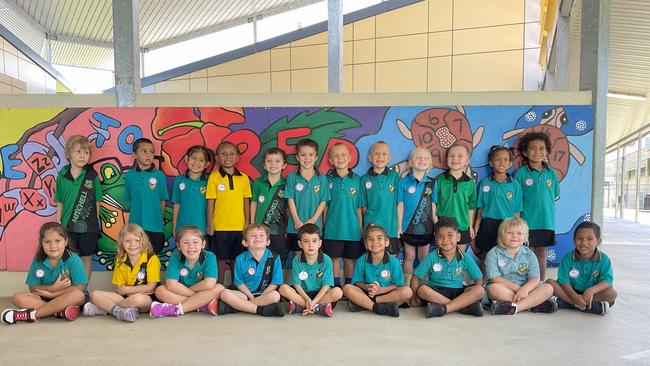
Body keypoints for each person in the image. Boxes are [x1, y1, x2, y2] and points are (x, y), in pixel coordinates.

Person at [1, 222, 87, 324]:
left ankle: (30, 315)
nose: (53, 246)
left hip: (66, 297)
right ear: (41, 243)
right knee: (17, 297)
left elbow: (80, 287)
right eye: (47, 242)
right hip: (44, 298)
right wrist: (52, 288)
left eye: (57, 241)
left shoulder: (74, 259)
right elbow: (32, 287)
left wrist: (54, 293)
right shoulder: (38, 261)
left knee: (78, 295)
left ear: (65, 242)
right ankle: (59, 312)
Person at [84, 224, 161, 322]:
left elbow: (150, 287)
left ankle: (106, 308)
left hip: (146, 299)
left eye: (137, 241)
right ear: (122, 243)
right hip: (125, 297)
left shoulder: (152, 259)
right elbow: (120, 290)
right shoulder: (120, 260)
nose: (132, 245)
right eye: (127, 241)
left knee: (138, 299)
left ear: (144, 241)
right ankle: (119, 311)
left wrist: (127, 289)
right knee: (94, 294)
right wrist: (132, 290)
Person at [410, 217, 485, 317]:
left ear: (458, 237)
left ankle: (445, 308)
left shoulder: (465, 257)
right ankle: (462, 307)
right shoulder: (431, 257)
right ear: (436, 239)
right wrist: (414, 298)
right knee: (423, 290)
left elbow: (478, 278)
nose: (445, 240)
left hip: (458, 291)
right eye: (440, 236)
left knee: (480, 290)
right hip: (436, 292)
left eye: (450, 235)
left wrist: (472, 295)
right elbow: (416, 277)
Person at [485, 218, 557, 315]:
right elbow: (495, 278)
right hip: (505, 290)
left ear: (525, 237)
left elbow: (535, 278)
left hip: (525, 289)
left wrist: (525, 289)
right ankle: (533, 304)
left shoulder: (529, 254)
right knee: (492, 289)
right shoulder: (493, 253)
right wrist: (519, 290)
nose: (514, 236)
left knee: (548, 288)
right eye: (509, 232)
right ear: (501, 235)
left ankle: (515, 307)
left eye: (519, 233)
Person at [54, 135, 102, 280]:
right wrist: (58, 224)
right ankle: (70, 290)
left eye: (86, 152)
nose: (83, 156)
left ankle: (83, 290)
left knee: (86, 258)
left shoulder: (92, 176)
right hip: (68, 226)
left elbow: (97, 201)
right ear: (69, 154)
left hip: (89, 227)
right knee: (69, 258)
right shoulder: (62, 176)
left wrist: (95, 223)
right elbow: (60, 202)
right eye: (78, 152)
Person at [514, 132, 560, 280]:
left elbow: (553, 197)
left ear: (547, 152)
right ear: (525, 152)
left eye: (541, 148)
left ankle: (540, 285)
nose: (537, 152)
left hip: (546, 222)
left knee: (541, 254)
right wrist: (519, 222)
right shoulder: (520, 174)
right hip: (527, 223)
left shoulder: (551, 173)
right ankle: (525, 284)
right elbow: (516, 201)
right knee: (526, 253)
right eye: (532, 148)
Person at [150, 225, 224, 318]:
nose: (191, 247)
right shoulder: (175, 256)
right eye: (185, 243)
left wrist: (192, 292)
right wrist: (196, 297)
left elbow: (209, 284)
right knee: (160, 291)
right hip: (181, 292)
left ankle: (176, 310)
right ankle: (201, 306)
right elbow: (171, 284)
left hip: (202, 291)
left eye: (195, 242)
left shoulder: (210, 257)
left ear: (203, 244)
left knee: (219, 288)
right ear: (178, 246)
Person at [547, 221, 617, 315]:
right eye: (579, 238)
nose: (584, 243)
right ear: (574, 240)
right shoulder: (568, 258)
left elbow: (607, 281)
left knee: (611, 294)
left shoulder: (604, 259)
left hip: (593, 294)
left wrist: (591, 290)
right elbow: (564, 281)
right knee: (549, 283)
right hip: (571, 292)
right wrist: (575, 298)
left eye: (590, 239)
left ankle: (567, 304)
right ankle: (585, 306)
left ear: (598, 242)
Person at [206, 141, 252, 284]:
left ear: (238, 157)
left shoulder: (243, 178)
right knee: (219, 259)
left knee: (236, 260)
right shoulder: (214, 177)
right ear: (217, 158)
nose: (228, 157)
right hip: (219, 226)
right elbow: (210, 202)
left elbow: (246, 202)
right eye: (223, 154)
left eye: (232, 153)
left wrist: (247, 223)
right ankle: (218, 287)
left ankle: (235, 287)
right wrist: (210, 224)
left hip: (239, 227)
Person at [343, 226, 412, 317]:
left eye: (379, 238)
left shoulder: (393, 262)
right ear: (366, 244)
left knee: (407, 292)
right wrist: (366, 287)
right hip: (368, 293)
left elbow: (398, 284)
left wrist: (380, 290)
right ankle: (378, 308)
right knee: (347, 288)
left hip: (386, 294)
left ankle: (367, 304)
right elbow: (357, 282)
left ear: (386, 242)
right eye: (370, 239)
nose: (375, 242)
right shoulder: (361, 260)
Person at [473, 146, 522, 273]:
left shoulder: (515, 184)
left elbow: (517, 210)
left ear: (510, 164)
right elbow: (480, 207)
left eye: (505, 160)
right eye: (498, 159)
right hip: (488, 224)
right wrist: (477, 226)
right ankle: (482, 285)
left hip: (507, 225)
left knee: (506, 255)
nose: (501, 162)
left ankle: (502, 285)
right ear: (490, 163)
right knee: (486, 255)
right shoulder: (485, 183)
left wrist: (517, 228)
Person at [218, 224, 284, 317]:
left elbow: (275, 283)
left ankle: (236, 307)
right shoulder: (240, 259)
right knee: (224, 294)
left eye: (261, 235)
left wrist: (262, 296)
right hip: (245, 294)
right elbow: (239, 283)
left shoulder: (275, 257)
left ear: (268, 242)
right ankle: (259, 309)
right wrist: (250, 296)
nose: (258, 237)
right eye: (253, 235)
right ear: (245, 243)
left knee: (275, 296)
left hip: (265, 294)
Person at [280, 224, 343, 317]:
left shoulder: (327, 260)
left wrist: (314, 301)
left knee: (338, 292)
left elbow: (326, 285)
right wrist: (307, 299)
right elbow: (297, 284)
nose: (311, 245)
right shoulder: (296, 260)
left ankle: (302, 307)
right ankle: (319, 308)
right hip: (302, 294)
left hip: (321, 294)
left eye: (314, 241)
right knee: (283, 288)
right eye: (306, 241)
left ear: (320, 243)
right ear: (300, 244)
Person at [323, 143, 363, 287]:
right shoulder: (327, 180)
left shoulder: (358, 180)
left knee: (349, 259)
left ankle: (348, 287)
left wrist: (360, 228)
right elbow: (325, 206)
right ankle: (335, 286)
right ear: (330, 161)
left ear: (350, 158)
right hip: (332, 229)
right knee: (334, 258)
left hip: (352, 230)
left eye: (343, 155)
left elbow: (359, 207)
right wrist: (324, 225)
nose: (340, 158)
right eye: (336, 155)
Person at [397, 147, 437, 285]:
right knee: (409, 257)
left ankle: (422, 288)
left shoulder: (432, 183)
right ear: (410, 162)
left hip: (426, 228)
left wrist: (436, 224)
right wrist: (399, 226)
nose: (422, 160)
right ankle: (406, 287)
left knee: (424, 258)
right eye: (418, 157)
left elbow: (433, 206)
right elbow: (400, 205)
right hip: (408, 227)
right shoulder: (403, 182)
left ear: (430, 163)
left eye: (426, 158)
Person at [286, 139, 330, 256]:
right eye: (303, 155)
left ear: (316, 157)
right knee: (298, 257)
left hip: (315, 227)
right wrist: (297, 221)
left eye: (311, 155)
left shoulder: (321, 179)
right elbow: (290, 199)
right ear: (297, 157)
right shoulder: (292, 177)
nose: (307, 158)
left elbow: (323, 201)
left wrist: (312, 220)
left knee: (313, 257)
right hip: (295, 226)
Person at [125, 138, 169, 254]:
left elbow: (162, 199)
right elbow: (129, 199)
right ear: (134, 154)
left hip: (155, 225)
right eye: (144, 151)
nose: (148, 155)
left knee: (153, 256)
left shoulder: (159, 176)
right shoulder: (130, 176)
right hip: (136, 225)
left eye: (151, 152)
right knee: (136, 256)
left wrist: (160, 220)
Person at [360, 141, 400, 255]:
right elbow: (364, 207)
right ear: (370, 158)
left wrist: (398, 226)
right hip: (372, 228)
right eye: (376, 153)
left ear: (389, 158)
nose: (380, 157)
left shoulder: (394, 177)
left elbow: (399, 203)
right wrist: (369, 223)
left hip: (390, 229)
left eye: (384, 154)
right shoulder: (364, 179)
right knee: (371, 259)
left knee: (391, 260)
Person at [251, 148, 289, 267]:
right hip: (259, 229)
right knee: (258, 256)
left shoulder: (286, 184)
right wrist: (252, 223)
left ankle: (277, 283)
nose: (273, 164)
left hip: (278, 230)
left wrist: (287, 228)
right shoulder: (258, 183)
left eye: (277, 161)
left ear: (284, 165)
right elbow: (254, 203)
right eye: (269, 161)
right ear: (264, 165)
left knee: (277, 258)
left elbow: (288, 208)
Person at [435, 143, 476, 252]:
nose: (455, 159)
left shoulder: (470, 183)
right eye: (451, 156)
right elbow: (433, 203)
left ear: (467, 161)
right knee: (443, 256)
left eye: (460, 156)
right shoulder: (440, 180)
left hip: (462, 226)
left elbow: (471, 206)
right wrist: (436, 223)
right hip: (443, 226)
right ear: (446, 159)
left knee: (460, 257)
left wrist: (470, 225)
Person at [172, 145, 212, 235]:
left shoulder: (210, 181)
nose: (197, 162)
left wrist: (210, 226)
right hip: (182, 228)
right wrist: (174, 226)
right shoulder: (179, 179)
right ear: (187, 159)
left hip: (202, 229)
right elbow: (177, 204)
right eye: (194, 158)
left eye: (201, 160)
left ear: (206, 164)